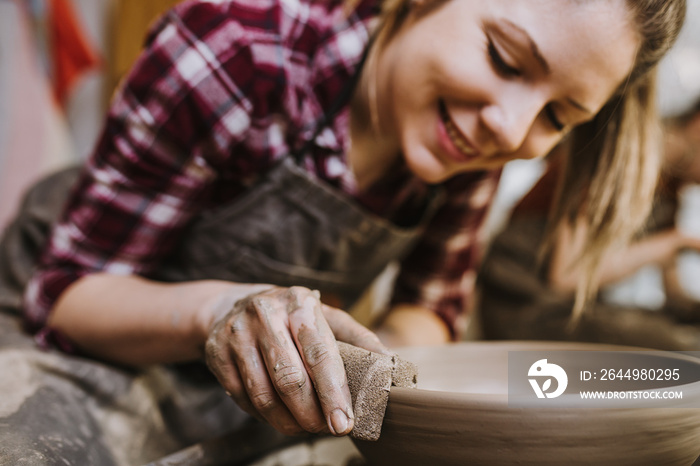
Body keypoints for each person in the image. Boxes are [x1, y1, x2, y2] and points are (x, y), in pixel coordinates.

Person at [0, 0, 686, 463]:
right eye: (505, 60)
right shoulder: (239, 50)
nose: (510, 127)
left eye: (557, 117)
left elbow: (430, 308)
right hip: (91, 337)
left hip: (253, 389)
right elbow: (64, 296)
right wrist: (221, 311)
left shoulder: (471, 136)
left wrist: (369, 373)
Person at [477, 98, 700, 350]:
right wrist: (673, 242)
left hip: (577, 306)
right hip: (522, 299)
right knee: (675, 348)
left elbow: (674, 296)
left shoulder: (672, 190)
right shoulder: (614, 155)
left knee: (682, 335)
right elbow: (566, 277)